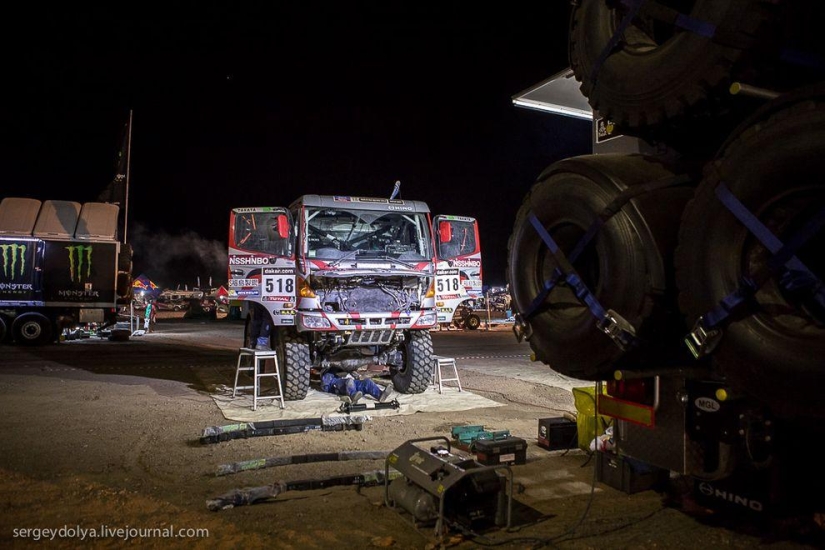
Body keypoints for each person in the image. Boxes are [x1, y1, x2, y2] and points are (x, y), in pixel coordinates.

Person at [320, 372, 393, 404]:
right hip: (340, 384)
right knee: (349, 382)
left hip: (353, 382)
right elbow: (325, 385)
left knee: (367, 382)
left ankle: (380, 395)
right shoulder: (328, 373)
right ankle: (353, 395)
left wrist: (355, 374)